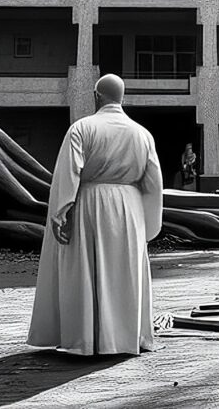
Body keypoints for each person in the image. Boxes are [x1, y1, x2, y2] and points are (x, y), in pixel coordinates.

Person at [27, 74, 164, 357]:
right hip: (130, 206)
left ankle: (88, 339)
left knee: (86, 269)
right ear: (121, 97)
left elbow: (69, 171)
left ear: (96, 96)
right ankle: (125, 338)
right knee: (124, 272)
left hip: (90, 201)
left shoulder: (82, 128)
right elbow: (153, 182)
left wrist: (62, 211)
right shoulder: (142, 133)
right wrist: (148, 223)